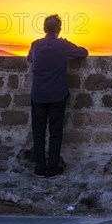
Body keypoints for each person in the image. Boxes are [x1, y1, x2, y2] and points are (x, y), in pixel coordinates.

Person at [27, 14, 88, 178]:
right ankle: (53, 169)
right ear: (59, 29)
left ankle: (40, 168)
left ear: (44, 28)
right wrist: (67, 46)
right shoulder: (63, 45)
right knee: (55, 133)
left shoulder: (36, 45)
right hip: (56, 95)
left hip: (38, 94)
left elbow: (29, 59)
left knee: (38, 133)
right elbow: (83, 52)